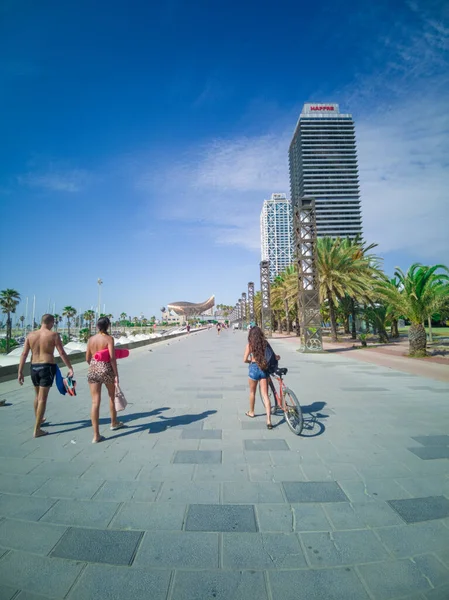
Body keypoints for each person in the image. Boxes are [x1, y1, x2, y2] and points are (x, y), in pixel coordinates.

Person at [18, 314, 74, 438]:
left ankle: (40, 419)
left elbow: (24, 354)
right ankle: (37, 429)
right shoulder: (53, 335)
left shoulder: (30, 335)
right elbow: (61, 352)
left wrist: (20, 371)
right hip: (46, 367)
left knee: (37, 396)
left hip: (34, 367)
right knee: (43, 398)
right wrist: (70, 367)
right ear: (51, 322)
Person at [86, 317, 122, 443]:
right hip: (106, 368)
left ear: (97, 326)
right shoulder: (109, 339)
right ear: (108, 326)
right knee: (112, 396)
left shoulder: (91, 339)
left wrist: (94, 366)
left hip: (93, 369)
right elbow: (112, 358)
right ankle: (114, 423)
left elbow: (87, 358)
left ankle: (96, 436)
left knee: (95, 402)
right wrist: (116, 374)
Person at [243, 326, 279, 430]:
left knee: (252, 392)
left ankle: (252, 412)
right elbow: (273, 355)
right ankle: (268, 420)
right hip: (264, 369)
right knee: (265, 395)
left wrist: (251, 361)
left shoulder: (250, 345)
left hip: (254, 368)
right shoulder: (265, 343)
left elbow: (244, 359)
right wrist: (278, 357)